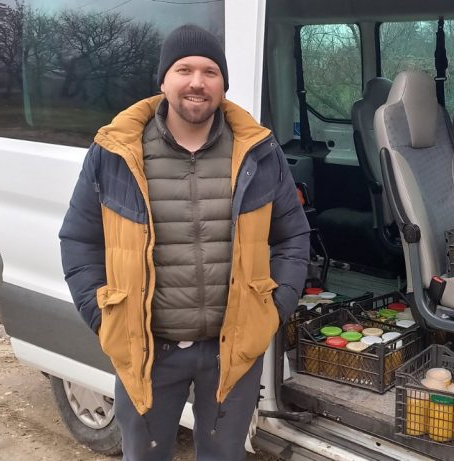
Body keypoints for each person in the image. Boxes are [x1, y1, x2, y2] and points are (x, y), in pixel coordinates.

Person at [59, 24, 309, 460]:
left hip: (231, 351)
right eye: (184, 69)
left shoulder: (258, 151)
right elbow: (79, 239)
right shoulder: (115, 151)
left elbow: (293, 237)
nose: (197, 82)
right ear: (163, 80)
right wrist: (105, 316)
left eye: (210, 71)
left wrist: (271, 311)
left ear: (223, 84)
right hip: (148, 350)